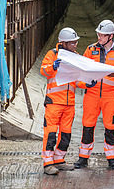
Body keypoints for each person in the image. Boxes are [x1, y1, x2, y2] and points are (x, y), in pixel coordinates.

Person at [74, 20, 114, 170]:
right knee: (87, 126)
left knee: (110, 127)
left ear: (111, 36)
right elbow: (80, 74)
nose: (99, 37)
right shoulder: (90, 50)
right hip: (91, 95)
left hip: (111, 97)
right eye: (98, 34)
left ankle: (112, 159)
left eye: (102, 35)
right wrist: (86, 84)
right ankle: (83, 158)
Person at [40, 27, 94, 175]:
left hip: (69, 104)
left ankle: (59, 160)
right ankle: (48, 164)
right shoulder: (53, 54)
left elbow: (76, 79)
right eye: (72, 43)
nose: (75, 45)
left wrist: (86, 84)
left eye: (75, 42)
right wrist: (53, 66)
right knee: (51, 134)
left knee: (65, 134)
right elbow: (43, 70)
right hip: (54, 102)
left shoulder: (75, 56)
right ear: (63, 43)